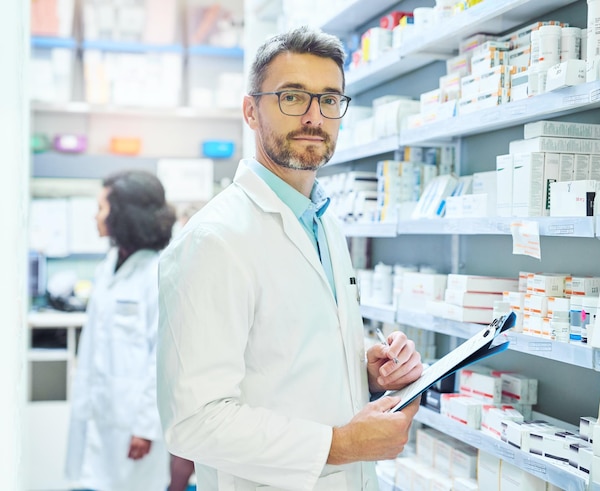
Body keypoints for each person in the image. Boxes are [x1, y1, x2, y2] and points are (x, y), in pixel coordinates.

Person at [157, 26, 424, 491]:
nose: (314, 117)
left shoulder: (323, 222)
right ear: (250, 110)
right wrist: (341, 445)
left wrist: (367, 368)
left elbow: (289, 357)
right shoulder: (214, 239)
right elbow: (193, 421)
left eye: (329, 99)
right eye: (292, 97)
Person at [65, 170, 177, 491]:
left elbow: (163, 358)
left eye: (102, 207)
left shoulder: (158, 272)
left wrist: (145, 427)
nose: (96, 215)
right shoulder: (109, 265)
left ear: (124, 216)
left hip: (133, 422)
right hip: (98, 409)